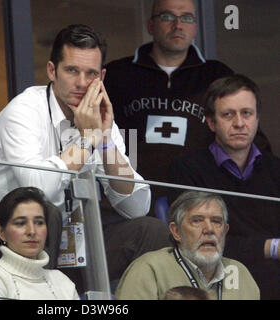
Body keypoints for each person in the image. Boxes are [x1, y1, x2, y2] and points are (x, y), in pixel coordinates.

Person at [0, 24, 170, 282]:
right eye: (71, 71)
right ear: (51, 71)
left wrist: (104, 142)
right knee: (45, 213)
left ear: (101, 77)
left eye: (90, 73)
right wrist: (87, 140)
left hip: (62, 243)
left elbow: (137, 207)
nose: (81, 83)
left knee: (151, 231)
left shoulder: (102, 119)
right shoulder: (23, 110)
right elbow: (38, 191)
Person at [103, 0, 271, 205]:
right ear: (150, 26)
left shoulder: (216, 75)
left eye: (187, 18)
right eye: (167, 16)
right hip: (131, 198)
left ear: (195, 29)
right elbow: (98, 133)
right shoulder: (118, 75)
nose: (178, 25)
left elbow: (252, 143)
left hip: (202, 200)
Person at [167, 74, 279, 299]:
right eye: (228, 115)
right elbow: (196, 243)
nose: (239, 123)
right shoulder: (187, 170)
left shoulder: (275, 169)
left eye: (247, 113)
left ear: (257, 119)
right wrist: (271, 247)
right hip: (218, 273)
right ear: (211, 122)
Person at [115, 191, 260, 300]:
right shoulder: (149, 268)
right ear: (176, 231)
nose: (209, 229)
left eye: (216, 221)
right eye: (197, 221)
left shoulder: (240, 273)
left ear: (225, 231)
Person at [0, 187, 79, 300]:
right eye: (20, 223)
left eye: (39, 222)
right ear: (1, 231)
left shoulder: (61, 280)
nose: (32, 231)